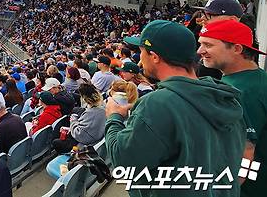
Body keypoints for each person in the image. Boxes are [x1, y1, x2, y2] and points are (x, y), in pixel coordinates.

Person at [106, 20, 246, 194]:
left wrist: (113, 117)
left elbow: (124, 162)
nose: (140, 60)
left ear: (154, 57)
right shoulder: (224, 97)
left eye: (141, 52)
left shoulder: (157, 104)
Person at [197, 19, 267, 196]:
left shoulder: (239, 91)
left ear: (237, 49)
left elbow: (246, 152)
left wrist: (226, 190)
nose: (200, 51)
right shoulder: (256, 78)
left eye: (208, 45)